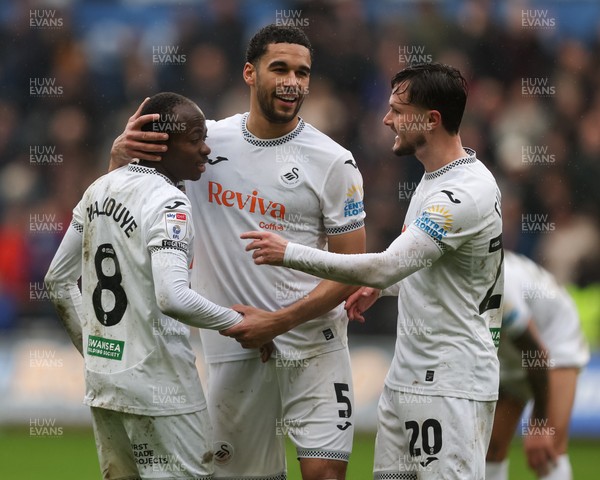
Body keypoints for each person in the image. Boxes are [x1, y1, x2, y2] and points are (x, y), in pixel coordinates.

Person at [110, 25, 366, 480]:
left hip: (313, 342)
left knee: (325, 474)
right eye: (280, 68)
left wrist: (282, 319)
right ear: (250, 73)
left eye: (303, 73)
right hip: (235, 347)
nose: (293, 81)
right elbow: (127, 193)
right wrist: (118, 156)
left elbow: (351, 269)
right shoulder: (200, 143)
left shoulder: (334, 162)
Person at [238, 63, 504, 479]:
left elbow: (385, 265)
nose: (387, 119)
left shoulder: (462, 194)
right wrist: (386, 290)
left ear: (430, 119)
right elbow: (437, 273)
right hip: (408, 378)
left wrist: (288, 252)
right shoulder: (437, 179)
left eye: (398, 110)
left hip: (451, 383)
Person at [44, 92, 255, 480]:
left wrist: (94, 350)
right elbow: (172, 296)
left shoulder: (98, 189)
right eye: (195, 138)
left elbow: (56, 282)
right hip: (162, 386)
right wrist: (237, 322)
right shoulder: (169, 203)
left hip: (105, 382)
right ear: (161, 144)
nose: (205, 149)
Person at [485, 251, 589, 480]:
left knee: (546, 449)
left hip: (554, 341)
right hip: (513, 350)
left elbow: (536, 354)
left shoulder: (499, 283)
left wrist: (539, 424)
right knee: (488, 450)